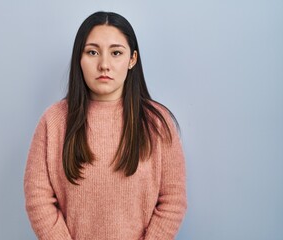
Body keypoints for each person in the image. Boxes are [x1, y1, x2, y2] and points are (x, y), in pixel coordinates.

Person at [24, 11, 187, 240]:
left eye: (116, 53)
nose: (104, 65)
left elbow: (172, 201)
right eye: (92, 52)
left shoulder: (158, 124)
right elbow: (38, 198)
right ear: (79, 58)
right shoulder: (53, 121)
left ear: (132, 59)